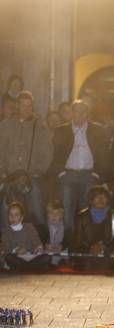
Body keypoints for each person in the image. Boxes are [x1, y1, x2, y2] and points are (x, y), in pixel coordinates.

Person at [49, 100, 112, 229]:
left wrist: (96, 173)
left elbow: (104, 155)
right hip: (68, 173)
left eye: (83, 112)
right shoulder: (61, 130)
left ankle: (83, 237)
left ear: (87, 114)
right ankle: (68, 238)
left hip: (89, 174)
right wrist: (61, 173)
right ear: (72, 113)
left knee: (85, 208)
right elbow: (55, 154)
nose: (80, 115)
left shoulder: (97, 130)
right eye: (77, 112)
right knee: (66, 205)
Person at [0, 91, 53, 227]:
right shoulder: (5, 125)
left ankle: (39, 241)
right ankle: (7, 245)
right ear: (17, 105)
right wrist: (2, 171)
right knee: (7, 212)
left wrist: (39, 170)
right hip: (10, 177)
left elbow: (47, 150)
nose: (26, 109)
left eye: (29, 106)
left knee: (37, 211)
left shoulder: (39, 126)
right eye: (23, 105)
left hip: (31, 176)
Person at [71, 185, 114, 270]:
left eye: (104, 197)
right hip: (87, 254)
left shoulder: (113, 215)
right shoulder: (81, 216)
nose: (101, 199)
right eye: (97, 197)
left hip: (107, 253)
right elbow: (77, 240)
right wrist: (90, 248)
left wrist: (103, 246)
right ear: (91, 200)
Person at [1, 201, 50, 271]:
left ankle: (26, 268)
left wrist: (37, 248)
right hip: (17, 258)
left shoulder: (29, 227)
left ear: (21, 217)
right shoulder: (6, 231)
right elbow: (5, 248)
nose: (13, 217)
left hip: (31, 257)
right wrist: (16, 250)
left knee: (47, 257)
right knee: (9, 257)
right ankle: (29, 268)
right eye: (10, 215)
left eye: (16, 215)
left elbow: (37, 243)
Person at [39, 200, 71, 265]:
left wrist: (62, 246)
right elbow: (40, 239)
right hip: (48, 251)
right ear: (47, 215)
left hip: (61, 250)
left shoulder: (67, 227)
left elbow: (68, 240)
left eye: (57, 213)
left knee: (65, 261)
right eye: (51, 213)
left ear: (62, 215)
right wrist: (45, 245)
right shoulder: (43, 227)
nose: (54, 216)